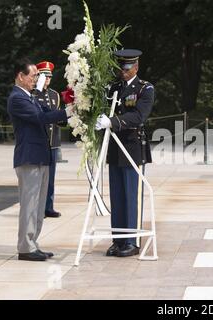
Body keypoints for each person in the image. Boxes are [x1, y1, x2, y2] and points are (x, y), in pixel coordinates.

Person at [7, 58, 73, 261]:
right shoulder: (18, 98)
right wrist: (68, 111)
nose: (37, 78)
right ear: (21, 76)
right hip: (29, 158)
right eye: (33, 75)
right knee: (29, 204)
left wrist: (70, 110)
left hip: (41, 157)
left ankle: (32, 244)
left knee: (38, 205)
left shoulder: (30, 96)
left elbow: (50, 113)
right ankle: (25, 247)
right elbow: (40, 118)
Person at [95, 49, 154, 257]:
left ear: (136, 67)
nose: (123, 71)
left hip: (131, 147)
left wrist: (113, 122)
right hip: (114, 146)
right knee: (117, 196)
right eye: (121, 67)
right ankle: (118, 240)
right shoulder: (114, 88)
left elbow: (138, 116)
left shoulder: (145, 89)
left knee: (130, 195)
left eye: (127, 68)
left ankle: (132, 240)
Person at [33, 61, 64, 218]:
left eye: (49, 76)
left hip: (52, 142)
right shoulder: (33, 94)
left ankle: (48, 207)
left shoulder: (55, 95)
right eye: (44, 76)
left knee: (50, 179)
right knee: (38, 178)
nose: (47, 79)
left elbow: (57, 115)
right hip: (40, 142)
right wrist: (37, 89)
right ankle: (37, 208)